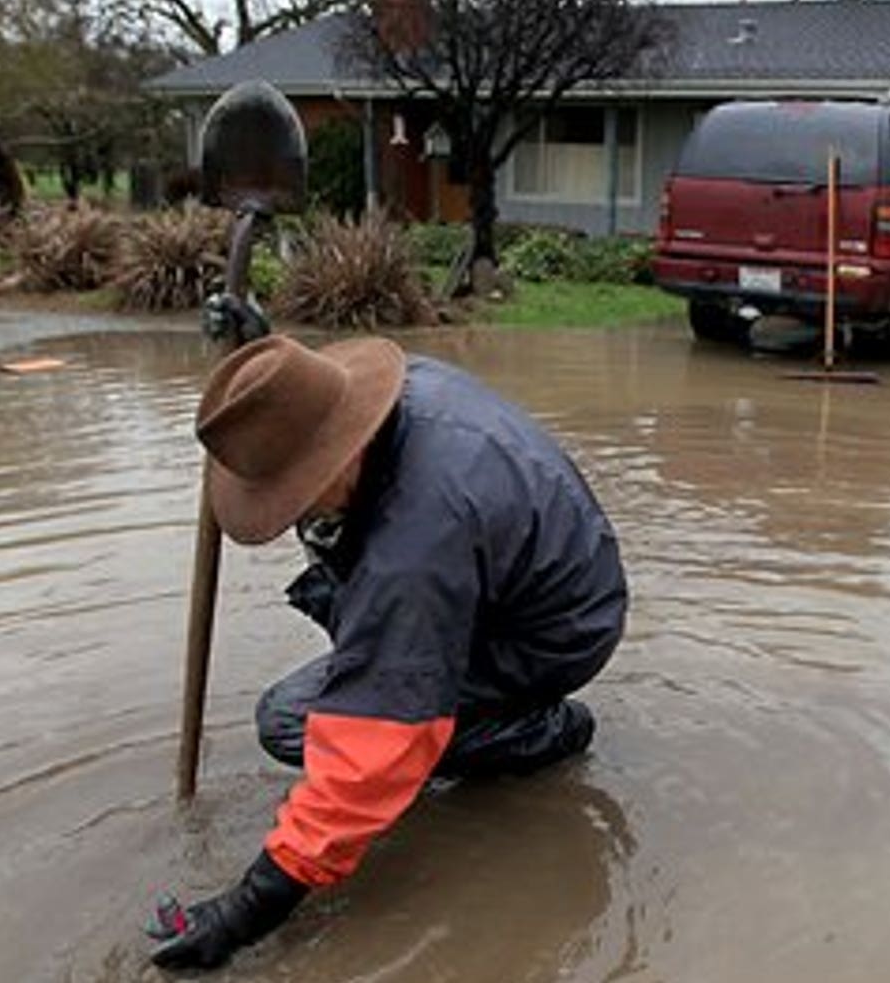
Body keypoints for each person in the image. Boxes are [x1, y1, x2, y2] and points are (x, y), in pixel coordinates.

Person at [147, 334, 627, 971]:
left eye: (298, 491)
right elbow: (291, 397)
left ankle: (540, 730)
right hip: (532, 570)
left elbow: (367, 757)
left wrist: (248, 909)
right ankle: (478, 713)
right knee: (355, 669)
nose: (294, 510)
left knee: (292, 722)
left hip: (551, 632)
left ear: (345, 452)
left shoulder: (413, 548)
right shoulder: (374, 395)